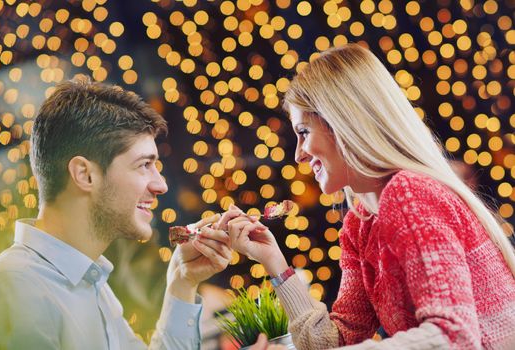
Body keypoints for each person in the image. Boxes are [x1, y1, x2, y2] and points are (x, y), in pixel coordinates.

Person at [218, 44, 515, 349]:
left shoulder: (410, 194)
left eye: (303, 132)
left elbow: (454, 337)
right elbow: (333, 342)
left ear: (342, 121)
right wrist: (273, 260)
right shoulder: (360, 226)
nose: (298, 155)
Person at [0, 76, 232, 349]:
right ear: (85, 174)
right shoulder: (18, 287)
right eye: (143, 165)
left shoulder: (90, 279)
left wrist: (182, 280)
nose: (160, 185)